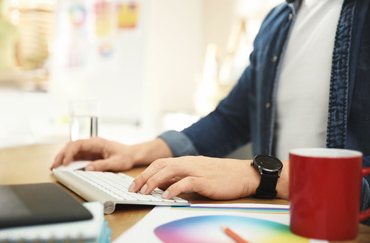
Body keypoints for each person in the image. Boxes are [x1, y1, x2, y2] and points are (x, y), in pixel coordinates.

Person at [51, 0, 370, 224]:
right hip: (277, 225)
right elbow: (231, 119)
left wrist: (257, 175)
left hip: (348, 234)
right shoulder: (278, 20)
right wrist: (137, 152)